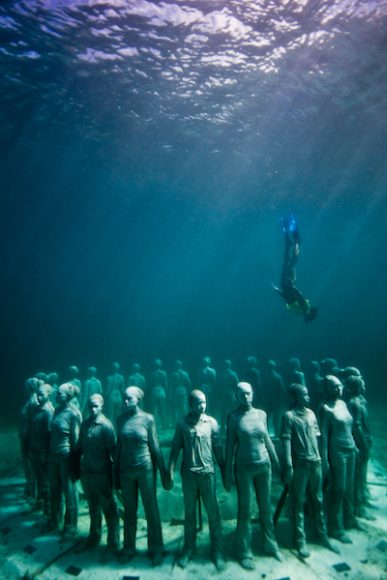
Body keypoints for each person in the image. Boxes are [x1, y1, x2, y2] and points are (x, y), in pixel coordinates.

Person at [224, 382, 282, 570]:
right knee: (245, 510)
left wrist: (278, 463)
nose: (245, 397)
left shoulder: (262, 414)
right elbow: (230, 445)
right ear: (236, 396)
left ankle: (270, 544)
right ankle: (244, 550)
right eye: (241, 394)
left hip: (264, 466)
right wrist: (227, 472)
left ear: (253, 394)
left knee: (266, 507)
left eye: (247, 393)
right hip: (244, 468)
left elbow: (267, 440)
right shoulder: (233, 417)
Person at [167, 389, 226, 572]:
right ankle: (189, 547)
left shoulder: (212, 423)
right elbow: (175, 449)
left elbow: (218, 449)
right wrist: (169, 472)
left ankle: (217, 551)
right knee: (190, 515)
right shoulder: (182, 424)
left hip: (208, 474)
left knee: (213, 514)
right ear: (190, 404)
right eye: (198, 402)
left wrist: (224, 471)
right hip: (189, 476)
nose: (202, 405)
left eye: (204, 402)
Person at [281, 384, 338, 558]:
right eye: (304, 395)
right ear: (296, 397)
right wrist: (289, 466)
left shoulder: (312, 414)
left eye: (307, 394)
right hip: (300, 466)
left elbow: (318, 438)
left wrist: (322, 459)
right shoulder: (288, 416)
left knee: (318, 500)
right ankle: (300, 540)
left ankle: (321, 534)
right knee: (298, 502)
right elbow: (286, 441)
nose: (308, 397)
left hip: (316, 464)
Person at [115, 386, 168, 566]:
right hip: (126, 471)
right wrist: (115, 474)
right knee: (129, 510)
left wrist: (163, 471)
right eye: (124, 398)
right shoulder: (120, 419)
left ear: (138, 399)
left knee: (151, 509)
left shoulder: (148, 419)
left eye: (129, 398)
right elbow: (119, 448)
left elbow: (155, 447)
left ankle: (157, 548)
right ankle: (128, 548)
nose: (125, 401)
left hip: (145, 469)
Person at [75, 394, 119, 563]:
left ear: (102, 406)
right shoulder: (85, 425)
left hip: (102, 474)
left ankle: (113, 544)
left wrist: (115, 476)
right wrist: (75, 467)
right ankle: (94, 537)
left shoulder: (106, 426)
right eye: (89, 406)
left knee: (109, 509)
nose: (92, 409)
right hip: (87, 473)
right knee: (93, 507)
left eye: (95, 406)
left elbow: (113, 451)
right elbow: (79, 447)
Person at [319, 375, 360, 543]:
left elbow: (349, 428)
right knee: (339, 489)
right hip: (337, 452)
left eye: (339, 385)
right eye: (334, 386)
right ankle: (336, 527)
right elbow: (324, 437)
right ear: (328, 388)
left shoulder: (343, 404)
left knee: (350, 488)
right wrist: (325, 460)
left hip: (350, 450)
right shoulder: (325, 409)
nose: (339, 389)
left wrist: (355, 446)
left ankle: (349, 519)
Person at [47, 383, 82, 538]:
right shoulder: (56, 410)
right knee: (54, 489)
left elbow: (75, 441)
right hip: (53, 456)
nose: (57, 395)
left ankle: (71, 525)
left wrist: (76, 463)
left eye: (60, 393)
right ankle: (55, 519)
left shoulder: (74, 414)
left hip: (66, 457)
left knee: (69, 492)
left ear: (68, 395)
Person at [273, 214, 318, 323]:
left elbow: (294, 297)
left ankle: (294, 239)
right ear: (309, 314)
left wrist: (283, 289)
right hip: (286, 284)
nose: (305, 317)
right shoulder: (303, 309)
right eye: (307, 318)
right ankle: (289, 237)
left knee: (293, 260)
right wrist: (282, 289)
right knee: (289, 260)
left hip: (287, 284)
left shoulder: (301, 310)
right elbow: (297, 296)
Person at [346, 374, 373, 518]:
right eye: (361, 384)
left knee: (362, 476)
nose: (364, 386)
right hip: (361, 444)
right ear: (356, 387)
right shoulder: (354, 403)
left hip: (365, 442)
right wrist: (364, 445)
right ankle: (359, 507)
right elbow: (356, 426)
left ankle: (362, 500)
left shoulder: (359, 401)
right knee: (358, 477)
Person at [28, 383, 55, 516]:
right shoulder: (37, 409)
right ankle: (40, 504)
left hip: (43, 451)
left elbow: (50, 434)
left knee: (46, 482)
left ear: (48, 396)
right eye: (38, 394)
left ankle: (48, 510)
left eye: (42, 395)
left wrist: (47, 452)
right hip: (35, 449)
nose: (38, 397)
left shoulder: (48, 411)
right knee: (39, 479)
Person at [148, 359, 168, 429]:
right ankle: (164, 425)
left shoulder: (151, 374)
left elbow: (150, 385)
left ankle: (155, 425)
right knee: (163, 409)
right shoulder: (164, 373)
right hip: (162, 391)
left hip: (154, 391)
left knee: (154, 409)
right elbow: (166, 384)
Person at [105, 362, 125, 426]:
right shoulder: (121, 377)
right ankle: (118, 429)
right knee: (118, 414)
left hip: (111, 395)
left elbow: (108, 389)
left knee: (110, 414)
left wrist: (105, 397)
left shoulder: (109, 377)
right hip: (119, 396)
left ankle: (111, 429)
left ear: (112, 368)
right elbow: (122, 390)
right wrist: (124, 398)